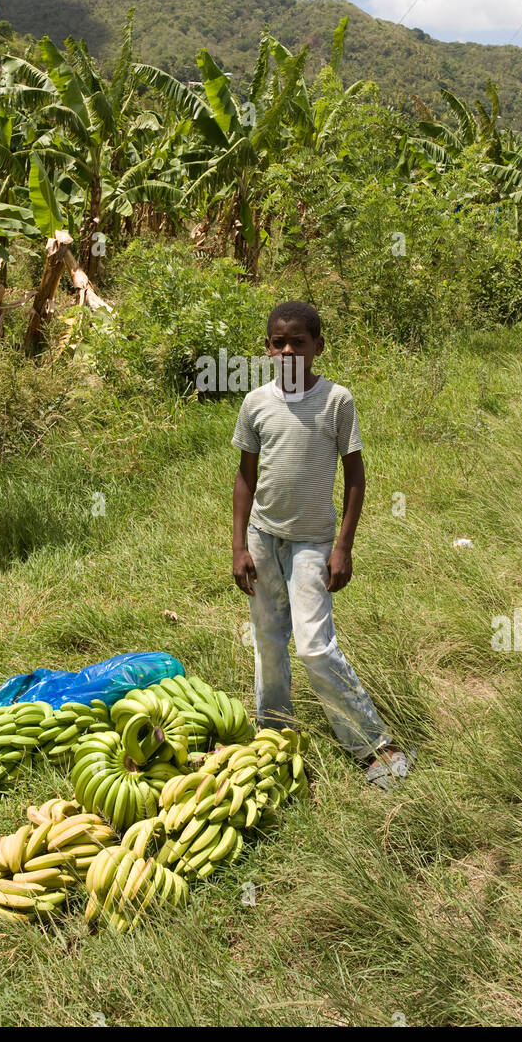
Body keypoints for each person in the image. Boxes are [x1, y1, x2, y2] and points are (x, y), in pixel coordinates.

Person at [230, 300, 413, 789]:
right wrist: (238, 546)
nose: (287, 350)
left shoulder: (337, 401)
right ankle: (275, 733)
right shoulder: (256, 403)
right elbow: (246, 477)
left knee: (313, 646)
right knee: (268, 641)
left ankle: (372, 744)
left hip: (313, 541)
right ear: (267, 347)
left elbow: (355, 476)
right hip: (264, 538)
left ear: (317, 347)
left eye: (298, 341)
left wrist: (343, 546)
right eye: (277, 341)